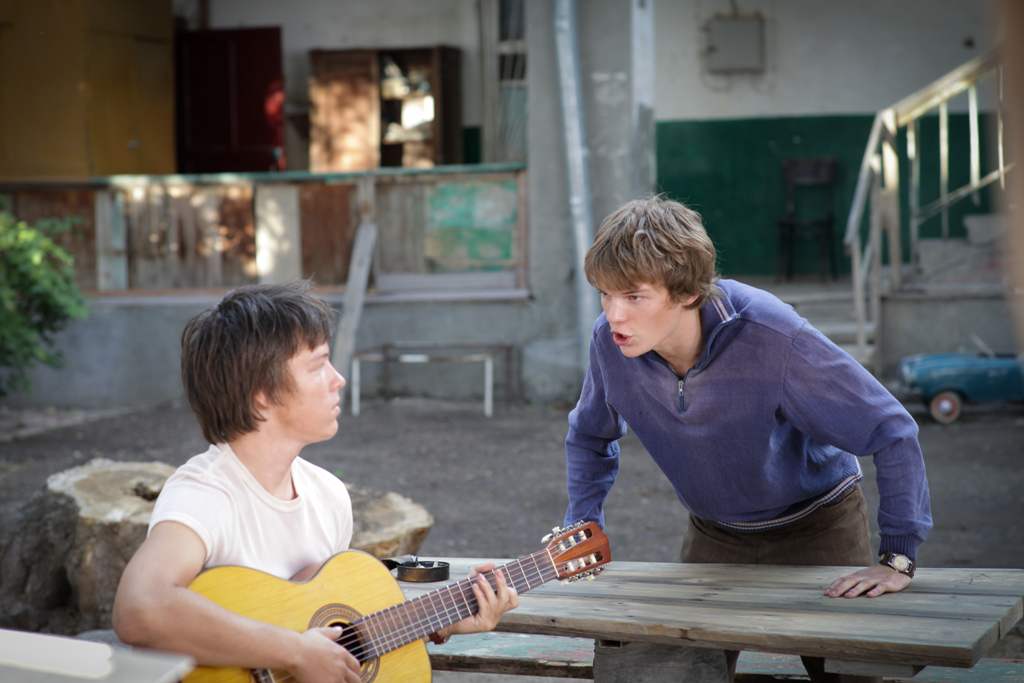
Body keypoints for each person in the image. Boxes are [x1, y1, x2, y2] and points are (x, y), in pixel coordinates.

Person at [563, 197, 931, 683]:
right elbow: (589, 436)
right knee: (667, 671)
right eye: (605, 295)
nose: (614, 316)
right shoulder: (609, 344)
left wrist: (898, 558)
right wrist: (582, 524)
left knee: (854, 672)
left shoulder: (772, 335)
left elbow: (892, 428)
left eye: (634, 297)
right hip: (714, 536)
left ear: (687, 293)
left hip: (818, 528)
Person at [113, 281, 517, 683]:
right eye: (318, 365)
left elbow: (336, 639)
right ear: (262, 394)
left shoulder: (328, 494)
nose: (337, 379)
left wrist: (440, 623)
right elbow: (139, 608)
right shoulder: (205, 493)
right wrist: (294, 651)